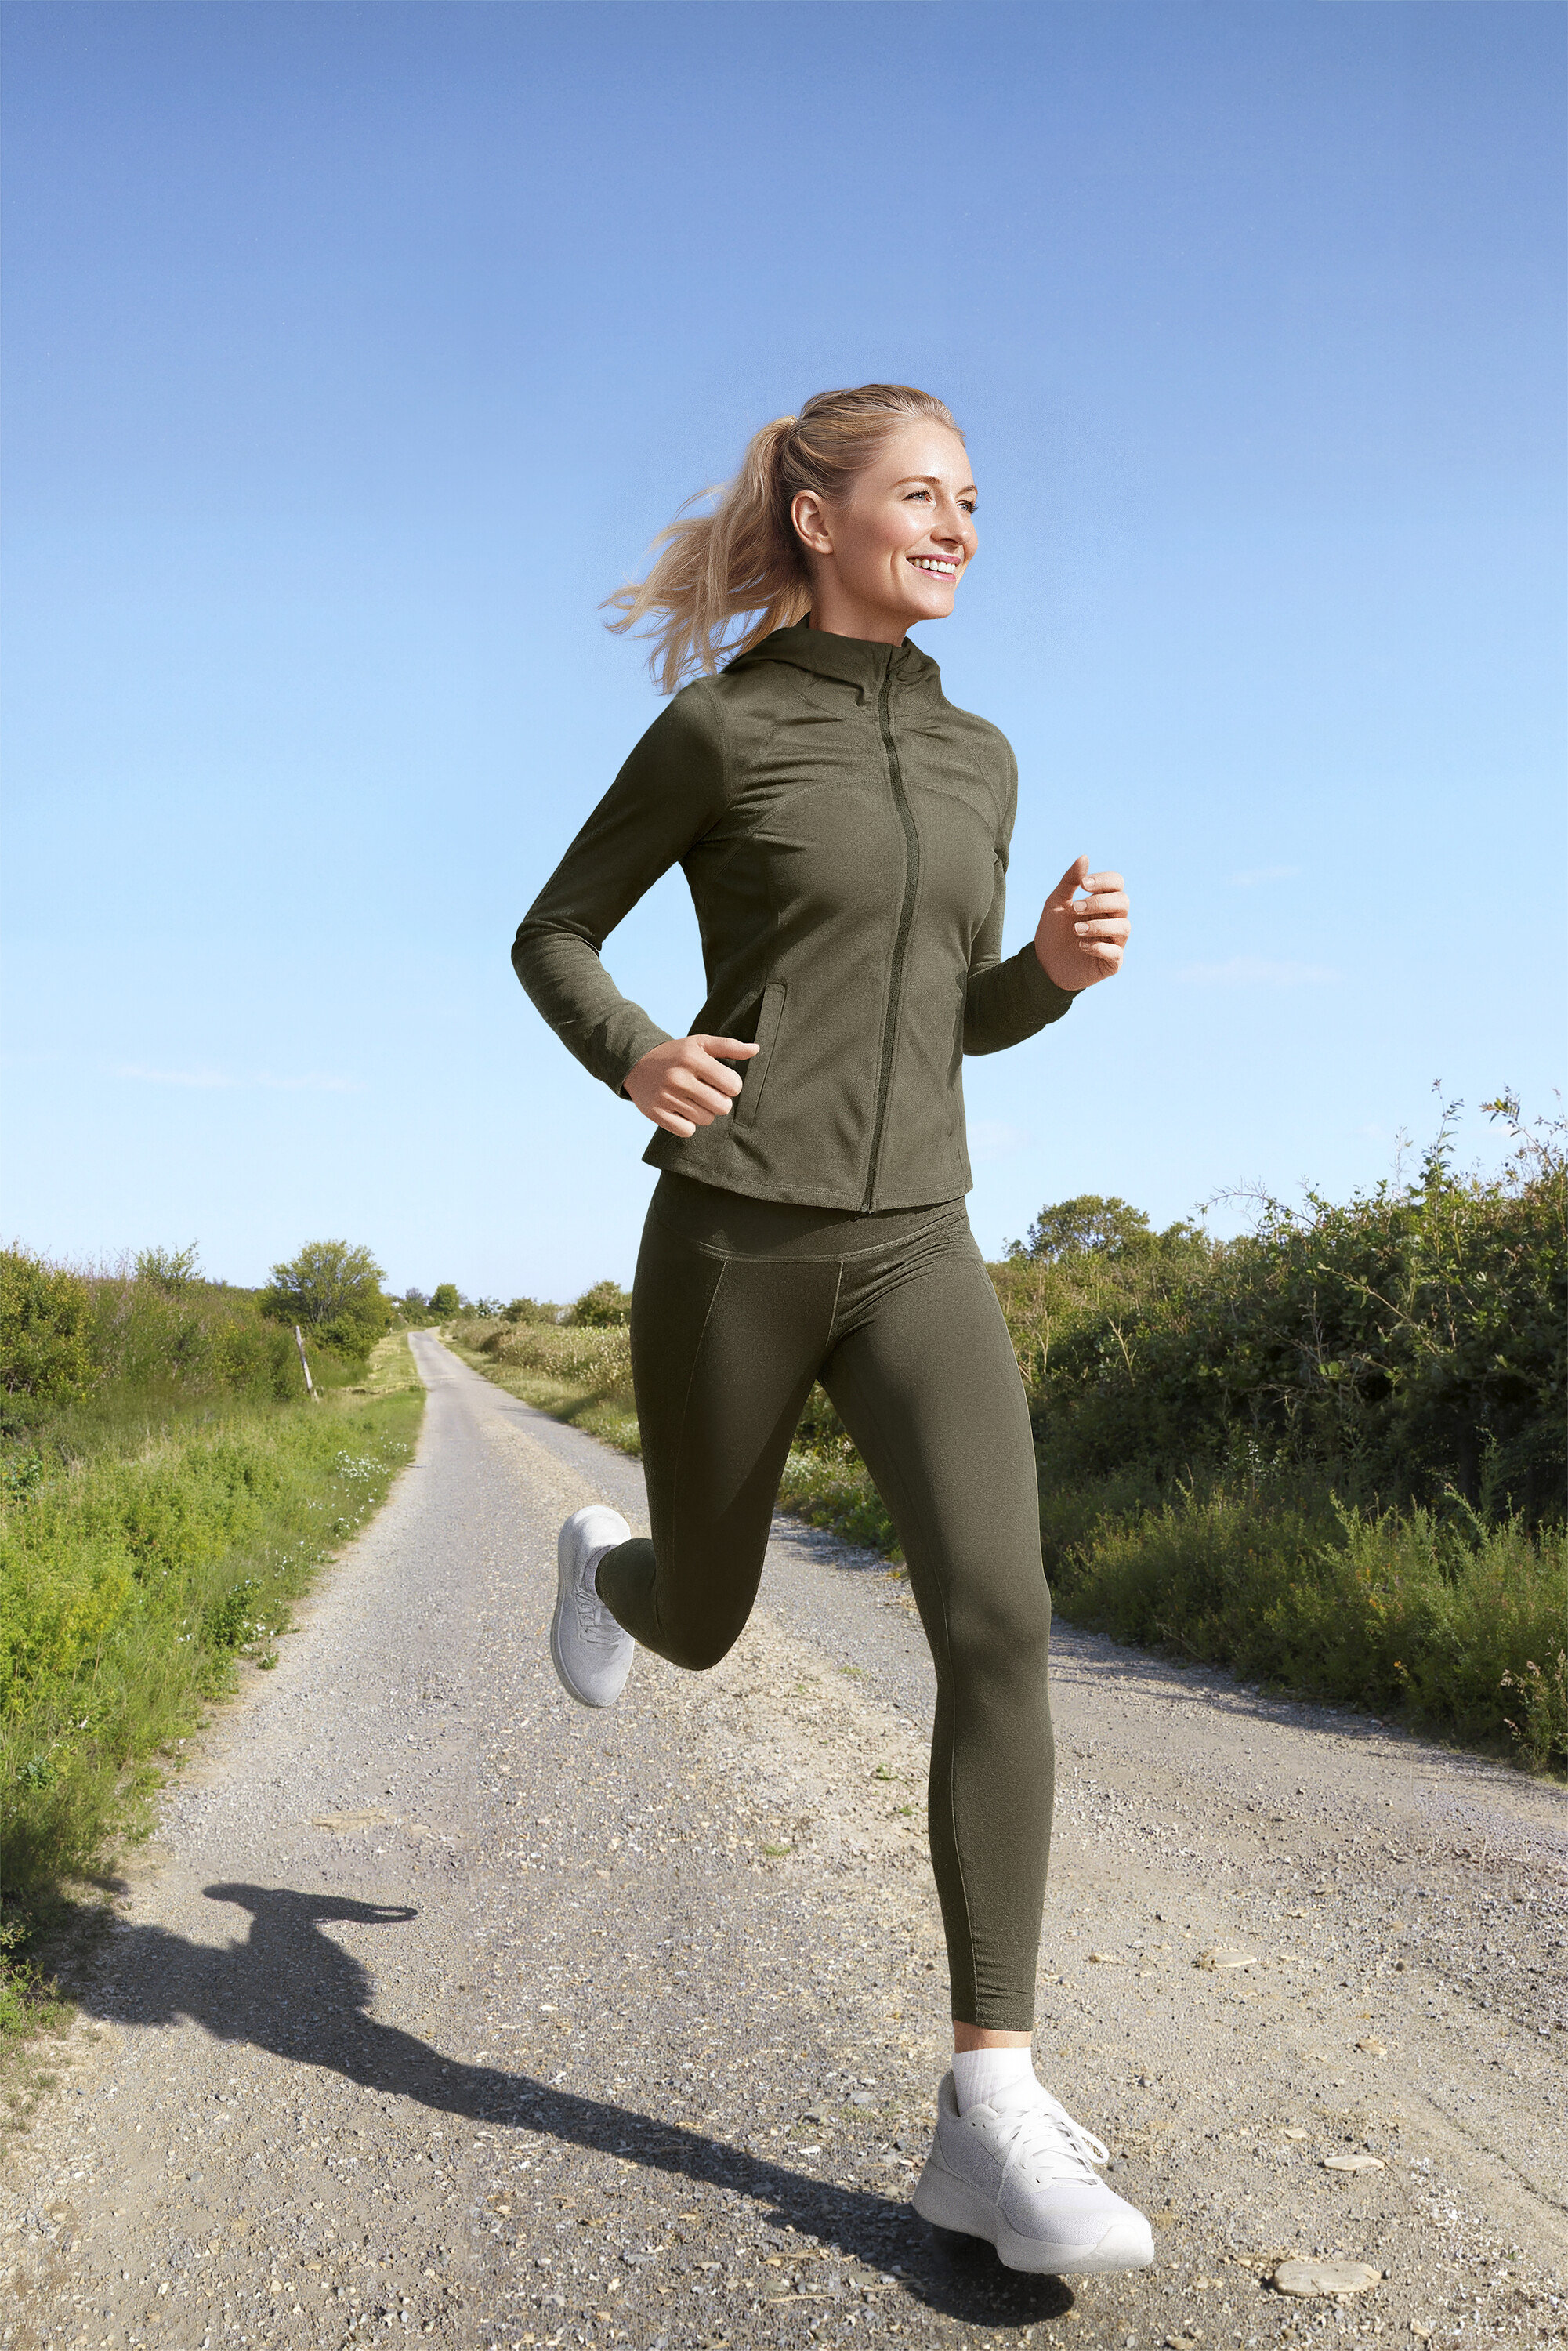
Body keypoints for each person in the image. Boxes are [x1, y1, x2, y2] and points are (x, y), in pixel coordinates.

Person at [512, 384, 1153, 2277]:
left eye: (972, 501)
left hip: (916, 1247)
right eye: (920, 496)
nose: (957, 526)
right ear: (815, 517)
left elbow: (936, 1017)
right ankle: (612, 1570)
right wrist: (638, 1051)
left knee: (998, 1614)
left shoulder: (979, 757)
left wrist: (1039, 973)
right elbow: (554, 928)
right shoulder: (719, 729)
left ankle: (989, 2106)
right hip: (734, 1242)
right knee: (706, 1622)